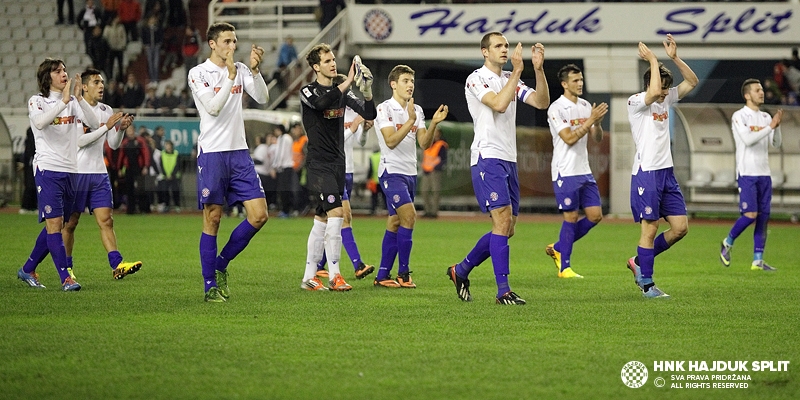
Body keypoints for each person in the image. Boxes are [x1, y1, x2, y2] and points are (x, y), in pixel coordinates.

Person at [446, 32, 549, 305]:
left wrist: (538, 70)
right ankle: (503, 291)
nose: (504, 50)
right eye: (498, 46)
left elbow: (541, 102)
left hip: (508, 158)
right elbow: (499, 104)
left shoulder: (509, 79)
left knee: (508, 227)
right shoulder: (476, 78)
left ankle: (461, 270)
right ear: (484, 51)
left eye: (506, 45)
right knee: (501, 221)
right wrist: (516, 72)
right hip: (487, 155)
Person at [188, 22, 269, 302]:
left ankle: (221, 264)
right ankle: (209, 284)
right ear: (212, 43)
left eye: (234, 41)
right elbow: (212, 107)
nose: (232, 46)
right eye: (226, 41)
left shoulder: (242, 70)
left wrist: (255, 72)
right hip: (212, 153)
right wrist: (231, 77)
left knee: (259, 215)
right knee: (213, 218)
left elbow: (262, 97)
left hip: (239, 152)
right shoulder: (198, 73)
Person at [625, 34, 698, 299]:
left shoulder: (665, 100)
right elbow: (654, 91)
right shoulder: (636, 103)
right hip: (647, 174)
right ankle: (647, 284)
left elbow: (692, 81)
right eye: (663, 87)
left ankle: (637, 261)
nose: (665, 92)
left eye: (668, 88)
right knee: (650, 228)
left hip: (666, 173)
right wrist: (653, 59)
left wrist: (674, 58)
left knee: (680, 228)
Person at [17, 58, 100, 291]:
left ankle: (28, 269)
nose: (63, 73)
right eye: (57, 71)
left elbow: (94, 123)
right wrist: (63, 102)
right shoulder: (37, 101)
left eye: (64, 69)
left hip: (71, 170)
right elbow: (41, 124)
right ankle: (66, 278)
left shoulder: (73, 101)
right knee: (55, 224)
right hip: (48, 169)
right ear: (48, 77)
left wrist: (79, 99)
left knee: (58, 224)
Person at [298, 44, 376, 291]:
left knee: (321, 219)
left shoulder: (340, 92)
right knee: (337, 214)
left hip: (338, 163)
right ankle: (334, 275)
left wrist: (367, 92)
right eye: (327, 60)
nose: (333, 63)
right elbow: (322, 104)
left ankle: (309, 277)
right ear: (316, 67)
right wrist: (348, 82)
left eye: (334, 59)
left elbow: (369, 113)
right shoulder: (308, 91)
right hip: (319, 164)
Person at [62, 68, 143, 281]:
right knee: (70, 223)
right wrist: (106, 128)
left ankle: (117, 265)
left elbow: (113, 145)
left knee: (106, 221)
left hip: (99, 174)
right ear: (85, 86)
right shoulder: (74, 108)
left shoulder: (107, 109)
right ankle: (67, 268)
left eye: (102, 82)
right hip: (77, 173)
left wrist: (121, 129)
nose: (101, 86)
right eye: (97, 82)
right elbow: (79, 141)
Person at [372, 65, 448, 289]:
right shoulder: (384, 109)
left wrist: (433, 122)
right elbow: (391, 141)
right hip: (391, 171)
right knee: (410, 216)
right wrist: (410, 120)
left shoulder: (418, 110)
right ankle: (403, 273)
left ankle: (382, 275)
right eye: (405, 80)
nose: (410, 85)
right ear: (393, 84)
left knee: (396, 221)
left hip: (410, 173)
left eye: (412, 81)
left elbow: (424, 144)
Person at [544, 64, 608, 279]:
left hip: (584, 169)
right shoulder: (557, 108)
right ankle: (565, 268)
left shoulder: (585, 105)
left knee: (595, 216)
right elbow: (569, 138)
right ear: (564, 84)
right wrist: (590, 120)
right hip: (565, 170)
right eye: (575, 81)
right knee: (570, 216)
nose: (580, 84)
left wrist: (597, 124)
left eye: (581, 80)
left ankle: (559, 247)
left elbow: (596, 138)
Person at [315, 73, 376, 281]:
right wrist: (353, 126)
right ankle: (358, 264)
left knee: (328, 218)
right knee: (344, 217)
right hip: (332, 171)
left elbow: (360, 141)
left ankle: (318, 265)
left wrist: (364, 129)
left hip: (347, 171)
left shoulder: (350, 111)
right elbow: (333, 142)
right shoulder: (329, 112)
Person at [720, 79, 783, 271]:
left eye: (762, 90)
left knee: (763, 217)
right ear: (747, 95)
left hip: (764, 173)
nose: (761, 93)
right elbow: (747, 140)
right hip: (747, 172)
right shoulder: (740, 116)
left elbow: (776, 144)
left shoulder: (765, 117)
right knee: (750, 215)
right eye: (757, 90)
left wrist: (777, 126)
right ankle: (727, 243)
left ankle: (758, 261)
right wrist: (771, 127)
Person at [117, 125, 151, 214]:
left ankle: (143, 208)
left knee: (141, 189)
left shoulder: (140, 141)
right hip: (129, 168)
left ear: (134, 130)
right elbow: (121, 156)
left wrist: (145, 166)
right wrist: (119, 168)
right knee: (129, 189)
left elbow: (145, 154)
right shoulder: (125, 142)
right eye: (128, 130)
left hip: (139, 168)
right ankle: (131, 209)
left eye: (131, 130)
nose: (130, 132)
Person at [420, 127, 448, 219]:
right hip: (426, 170)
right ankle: (427, 210)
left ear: (439, 134)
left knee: (435, 191)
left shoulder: (441, 145)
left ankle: (434, 212)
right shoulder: (428, 142)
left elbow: (443, 159)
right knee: (424, 191)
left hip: (435, 171)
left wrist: (436, 167)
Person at [272, 124, 295, 217]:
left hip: (284, 167)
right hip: (288, 166)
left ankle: (285, 210)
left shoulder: (283, 138)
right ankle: (288, 209)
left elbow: (280, 153)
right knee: (287, 189)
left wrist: (275, 166)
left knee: (283, 190)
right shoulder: (288, 138)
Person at [104, 16, 128, 82]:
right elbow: (105, 38)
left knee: (120, 65)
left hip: (119, 49)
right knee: (110, 65)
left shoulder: (121, 27)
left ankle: (121, 80)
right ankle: (110, 79)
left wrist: (123, 45)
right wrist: (108, 47)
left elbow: (124, 37)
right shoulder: (108, 28)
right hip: (111, 49)